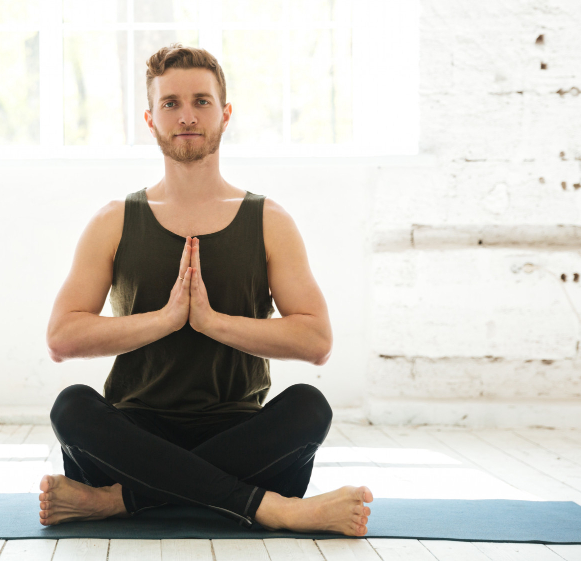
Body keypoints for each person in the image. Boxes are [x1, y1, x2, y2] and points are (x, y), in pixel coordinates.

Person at [39, 43, 373, 535]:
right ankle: (271, 509)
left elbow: (317, 342)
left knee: (309, 405)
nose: (187, 116)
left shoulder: (269, 221)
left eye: (201, 101)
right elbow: (61, 338)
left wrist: (212, 323)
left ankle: (118, 502)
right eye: (170, 104)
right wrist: (166, 320)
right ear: (150, 118)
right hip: (134, 434)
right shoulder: (114, 221)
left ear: (225, 113)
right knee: (71, 405)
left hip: (240, 433)